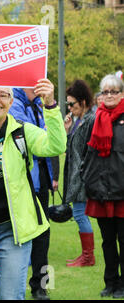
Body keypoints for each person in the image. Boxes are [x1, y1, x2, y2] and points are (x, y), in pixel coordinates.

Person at [0, 79, 66, 300]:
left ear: (10, 102)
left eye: (3, 95)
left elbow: (56, 146)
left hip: (12, 231)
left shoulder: (23, 132)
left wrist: (50, 105)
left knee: (10, 296)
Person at [9, 87, 59, 300]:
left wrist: (53, 176)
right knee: (18, 237)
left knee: (43, 236)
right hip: (25, 181)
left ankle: (42, 286)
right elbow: (30, 135)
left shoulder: (37, 104)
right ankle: (18, 287)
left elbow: (52, 143)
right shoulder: (14, 103)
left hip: (42, 180)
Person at [82, 74, 124, 298]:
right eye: (105, 92)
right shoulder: (93, 119)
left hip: (122, 191)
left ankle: (123, 284)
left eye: (114, 91)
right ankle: (110, 283)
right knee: (108, 241)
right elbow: (84, 153)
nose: (109, 96)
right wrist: (86, 178)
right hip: (101, 191)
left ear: (122, 94)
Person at [62, 79, 96, 268]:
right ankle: (86, 256)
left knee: (80, 214)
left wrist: (84, 174)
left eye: (72, 103)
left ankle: (88, 257)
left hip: (83, 177)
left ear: (82, 102)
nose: (69, 107)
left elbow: (89, 151)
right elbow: (70, 149)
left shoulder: (90, 120)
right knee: (80, 214)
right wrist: (67, 131)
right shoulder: (80, 121)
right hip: (77, 176)